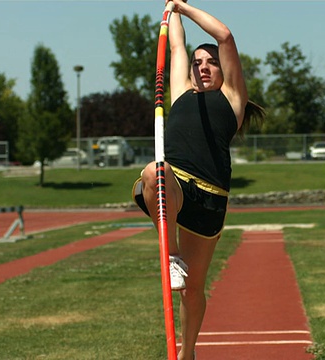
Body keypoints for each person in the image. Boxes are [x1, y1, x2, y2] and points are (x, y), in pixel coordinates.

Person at [132, 1, 264, 358]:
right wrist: (169, 11)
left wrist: (183, 7)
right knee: (154, 171)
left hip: (210, 199)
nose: (203, 67)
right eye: (197, 63)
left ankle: (187, 353)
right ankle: (171, 255)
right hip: (175, 185)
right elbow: (177, 45)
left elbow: (225, 35)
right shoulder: (182, 92)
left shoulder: (232, 99)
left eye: (211, 62)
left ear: (224, 70)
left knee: (192, 289)